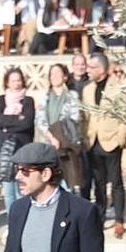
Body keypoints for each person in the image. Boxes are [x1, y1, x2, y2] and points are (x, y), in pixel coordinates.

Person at [0, 140, 106, 252]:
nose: (18, 176)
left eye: (25, 171)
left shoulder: (82, 211)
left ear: (46, 174)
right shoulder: (18, 209)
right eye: (17, 170)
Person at [79, 52, 126, 238]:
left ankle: (119, 219)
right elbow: (85, 117)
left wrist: (121, 138)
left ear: (101, 69)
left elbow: (125, 115)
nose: (88, 70)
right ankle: (99, 217)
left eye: (91, 67)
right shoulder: (87, 89)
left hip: (112, 140)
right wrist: (84, 138)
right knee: (98, 183)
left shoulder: (117, 88)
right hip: (93, 141)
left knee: (116, 182)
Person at [0, 68, 36, 210]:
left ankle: (24, 219)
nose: (16, 83)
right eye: (13, 81)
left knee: (22, 189)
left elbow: (27, 123)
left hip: (22, 147)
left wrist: (7, 125)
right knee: (8, 189)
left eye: (19, 80)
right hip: (4, 150)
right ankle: (12, 222)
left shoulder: (28, 101)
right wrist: (17, 119)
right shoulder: (1, 100)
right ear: (7, 83)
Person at [41, 62, 86, 196]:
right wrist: (51, 137)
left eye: (57, 73)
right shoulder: (46, 97)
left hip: (67, 142)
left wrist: (60, 135)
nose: (54, 76)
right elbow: (40, 119)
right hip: (50, 142)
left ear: (65, 76)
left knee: (71, 181)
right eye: (52, 74)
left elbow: (74, 117)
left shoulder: (72, 96)